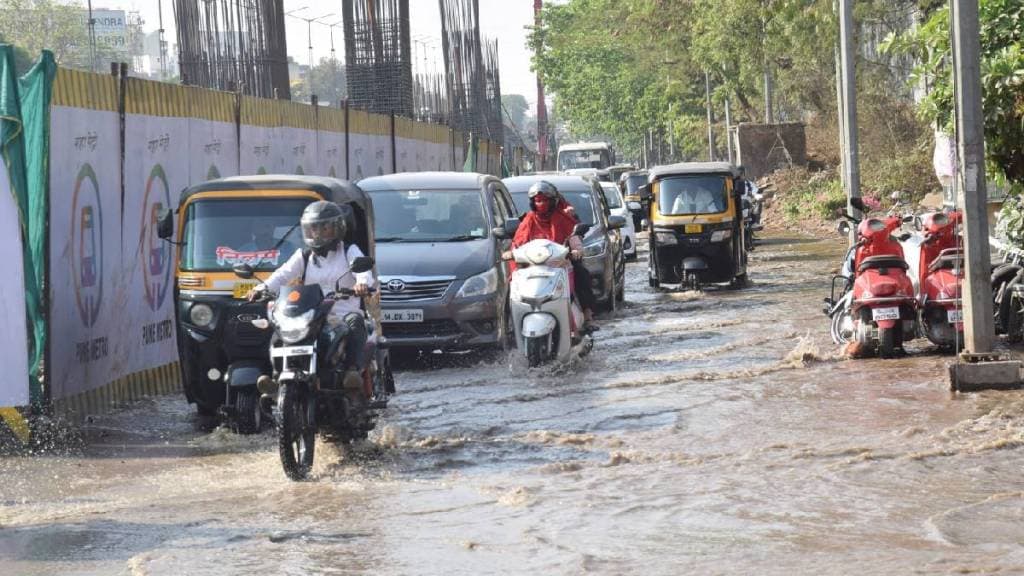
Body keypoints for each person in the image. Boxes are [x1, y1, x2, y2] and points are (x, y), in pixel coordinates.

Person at [247, 201, 374, 392]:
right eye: (313, 228)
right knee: (278, 332)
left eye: (325, 228)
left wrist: (362, 283)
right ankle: (276, 377)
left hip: (342, 314)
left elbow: (364, 273)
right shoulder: (304, 256)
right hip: (312, 316)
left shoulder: (349, 251)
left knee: (355, 322)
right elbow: (282, 275)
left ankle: (351, 371)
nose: (318, 233)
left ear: (338, 228)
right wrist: (260, 288)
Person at [511, 181, 597, 327]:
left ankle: (587, 316)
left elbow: (574, 238)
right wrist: (511, 253)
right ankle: (511, 322)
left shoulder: (563, 218)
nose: (541, 204)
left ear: (552, 202)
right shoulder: (528, 220)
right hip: (532, 268)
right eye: (538, 201)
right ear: (532, 202)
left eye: (544, 200)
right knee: (512, 286)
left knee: (581, 274)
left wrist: (576, 251)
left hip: (559, 265)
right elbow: (517, 243)